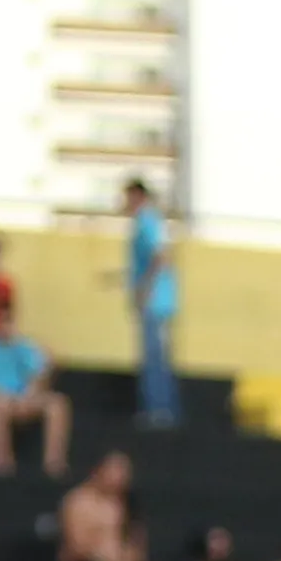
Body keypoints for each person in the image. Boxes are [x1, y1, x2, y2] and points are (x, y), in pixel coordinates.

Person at [0, 303, 65, 475]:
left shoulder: (25, 346)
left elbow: (40, 375)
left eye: (8, 321)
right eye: (1, 321)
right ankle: (3, 464)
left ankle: (53, 463)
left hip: (26, 399)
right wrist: (1, 394)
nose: (4, 326)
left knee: (57, 404)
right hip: (0, 399)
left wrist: (30, 394)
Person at [121, 175, 180, 426]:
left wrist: (144, 287)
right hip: (156, 298)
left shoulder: (147, 221)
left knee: (155, 357)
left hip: (155, 301)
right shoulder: (148, 222)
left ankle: (159, 411)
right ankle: (158, 409)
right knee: (156, 357)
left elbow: (160, 256)